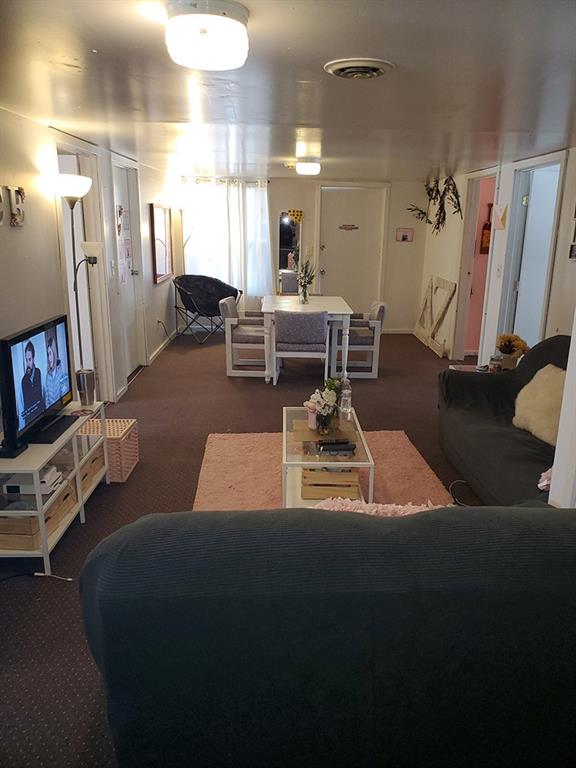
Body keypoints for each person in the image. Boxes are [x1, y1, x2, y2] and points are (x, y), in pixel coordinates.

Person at [21, 340, 44, 425]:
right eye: (26, 360)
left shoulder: (38, 372)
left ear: (34, 359)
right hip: (30, 421)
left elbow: (41, 397)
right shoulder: (24, 380)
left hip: (42, 417)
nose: (28, 363)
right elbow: (26, 406)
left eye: (29, 359)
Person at [45, 336, 67, 408]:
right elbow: (46, 399)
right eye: (48, 354)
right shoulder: (47, 376)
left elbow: (65, 395)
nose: (49, 358)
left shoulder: (62, 373)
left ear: (54, 353)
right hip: (51, 415)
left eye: (50, 353)